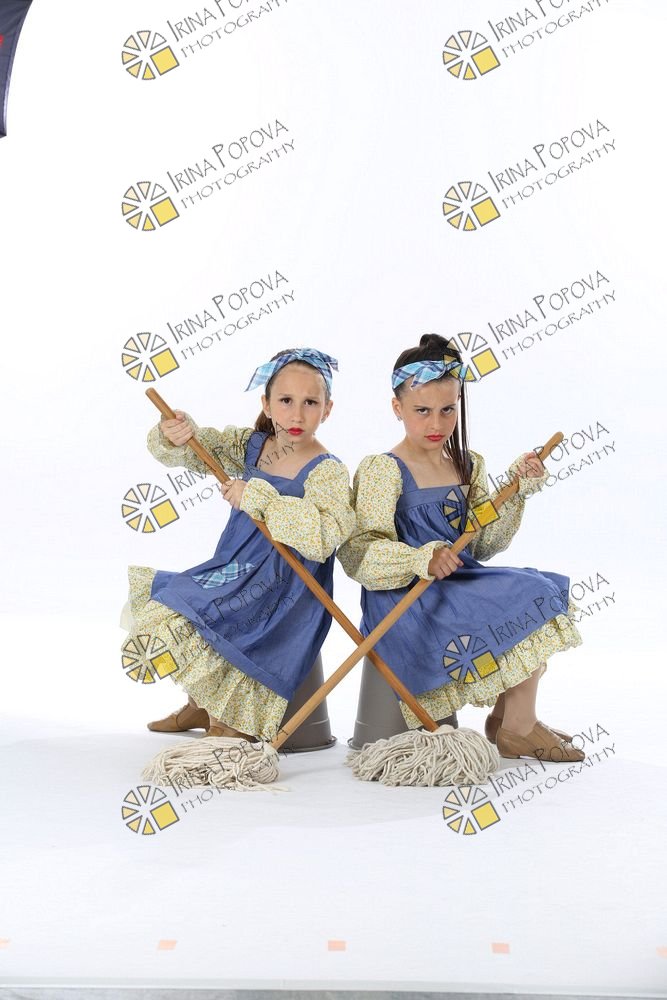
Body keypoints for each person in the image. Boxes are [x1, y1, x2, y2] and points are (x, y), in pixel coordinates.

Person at [337, 334, 584, 763]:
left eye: (448, 409)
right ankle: (519, 728)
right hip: (408, 595)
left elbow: (483, 544)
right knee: (528, 594)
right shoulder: (383, 470)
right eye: (422, 411)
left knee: (539, 588)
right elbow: (359, 553)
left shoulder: (468, 465)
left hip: (459, 581)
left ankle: (509, 718)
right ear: (397, 408)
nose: (436, 423)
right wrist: (421, 557)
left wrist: (515, 492)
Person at [121, 347, 355, 742]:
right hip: (235, 566)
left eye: (310, 403)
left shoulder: (326, 470)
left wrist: (259, 499)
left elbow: (325, 535)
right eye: (285, 401)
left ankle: (230, 716)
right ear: (266, 404)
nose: (297, 415)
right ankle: (202, 702)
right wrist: (178, 434)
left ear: (327, 410)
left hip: (284, 585)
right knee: (184, 602)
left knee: (228, 622)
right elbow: (202, 449)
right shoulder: (253, 446)